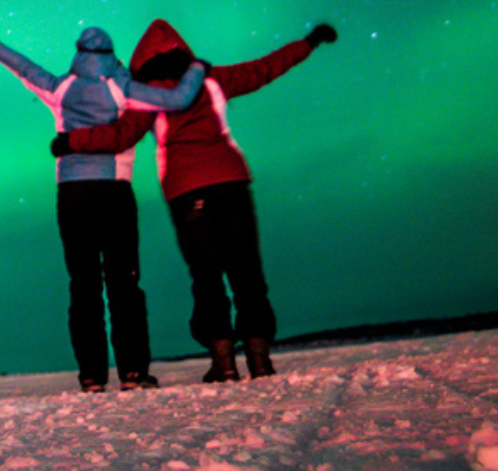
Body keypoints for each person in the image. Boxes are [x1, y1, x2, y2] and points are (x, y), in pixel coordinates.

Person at [58, 19, 336, 382]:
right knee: (245, 268)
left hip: (186, 188)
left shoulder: (146, 95)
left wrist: (72, 143)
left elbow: (119, 135)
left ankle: (223, 363)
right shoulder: (210, 78)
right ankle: (259, 357)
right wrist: (309, 42)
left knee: (206, 274)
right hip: (231, 181)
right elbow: (265, 68)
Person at [0, 21, 210, 393]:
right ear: (109, 53)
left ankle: (91, 376)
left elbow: (24, 67)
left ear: (79, 52)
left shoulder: (61, 88)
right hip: (114, 190)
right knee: (124, 283)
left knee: (82, 284)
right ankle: (133, 372)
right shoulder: (123, 88)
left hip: (71, 194)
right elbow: (179, 99)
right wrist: (197, 69)